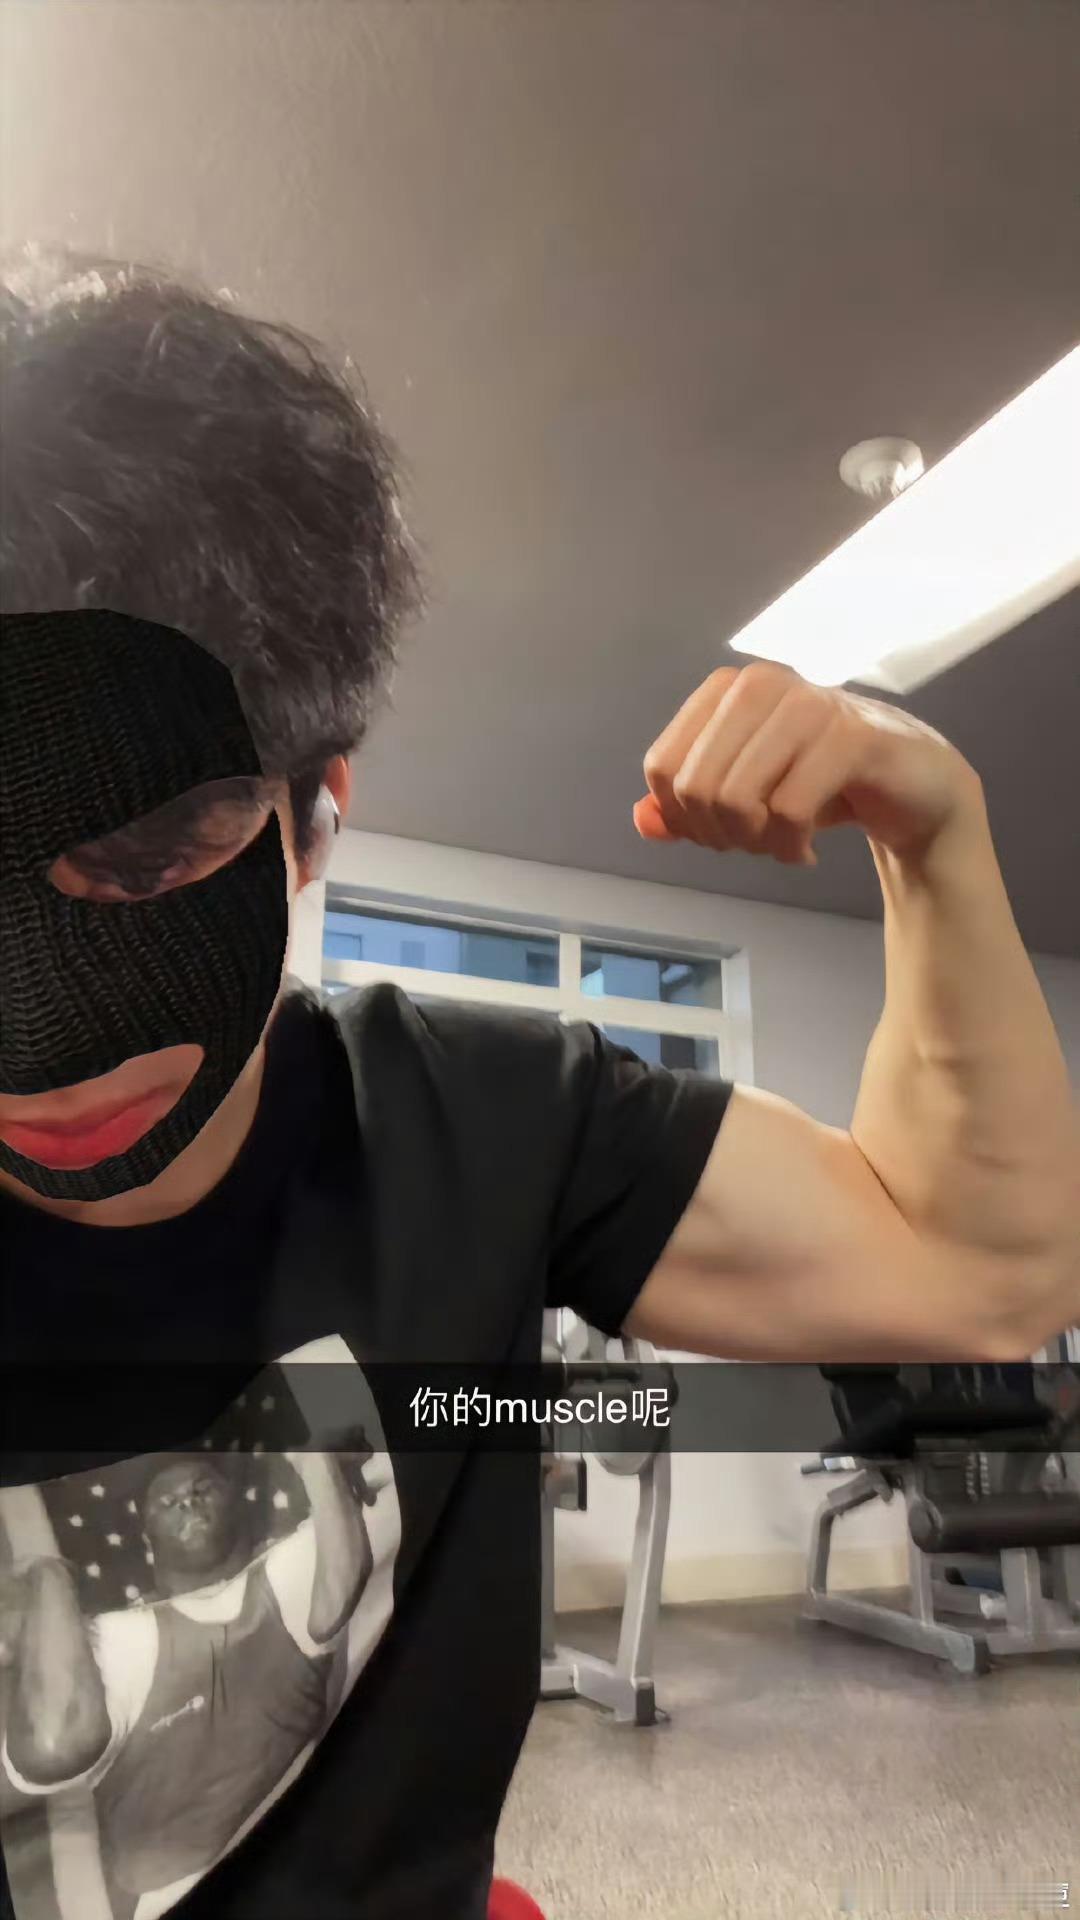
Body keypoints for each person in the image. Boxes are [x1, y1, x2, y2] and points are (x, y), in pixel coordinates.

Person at [0, 252, 1076, 1920]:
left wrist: (937, 835)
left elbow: (984, 1273)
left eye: (146, 858)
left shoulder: (491, 1118)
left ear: (315, 817)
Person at [2, 1449, 377, 1920]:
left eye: (203, 1488)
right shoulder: (122, 1640)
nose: (188, 1501)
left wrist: (315, 1463)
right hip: (180, 1898)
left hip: (314, 1862)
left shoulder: (280, 1579)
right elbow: (54, 1742)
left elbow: (342, 1584)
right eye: (167, 1502)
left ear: (237, 1502)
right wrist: (48, 1574)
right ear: (146, 1536)